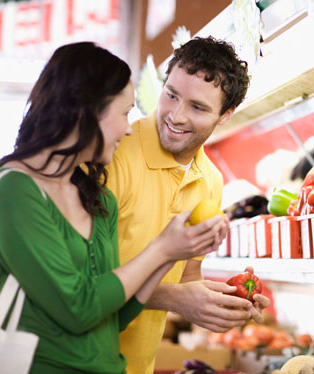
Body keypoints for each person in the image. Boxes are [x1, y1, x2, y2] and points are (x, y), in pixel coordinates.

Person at [0, 42, 225, 374]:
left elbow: (115, 315)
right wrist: (162, 248)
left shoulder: (96, 198)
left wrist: (173, 251)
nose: (129, 128)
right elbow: (78, 308)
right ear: (86, 112)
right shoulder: (13, 192)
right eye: (124, 113)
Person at [105, 36, 271, 374]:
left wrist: (223, 301)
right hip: (79, 361)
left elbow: (186, 276)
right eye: (171, 95)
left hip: (138, 366)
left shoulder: (210, 180)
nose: (176, 116)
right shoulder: (114, 154)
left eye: (197, 107)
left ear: (225, 114)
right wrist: (175, 299)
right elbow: (81, 284)